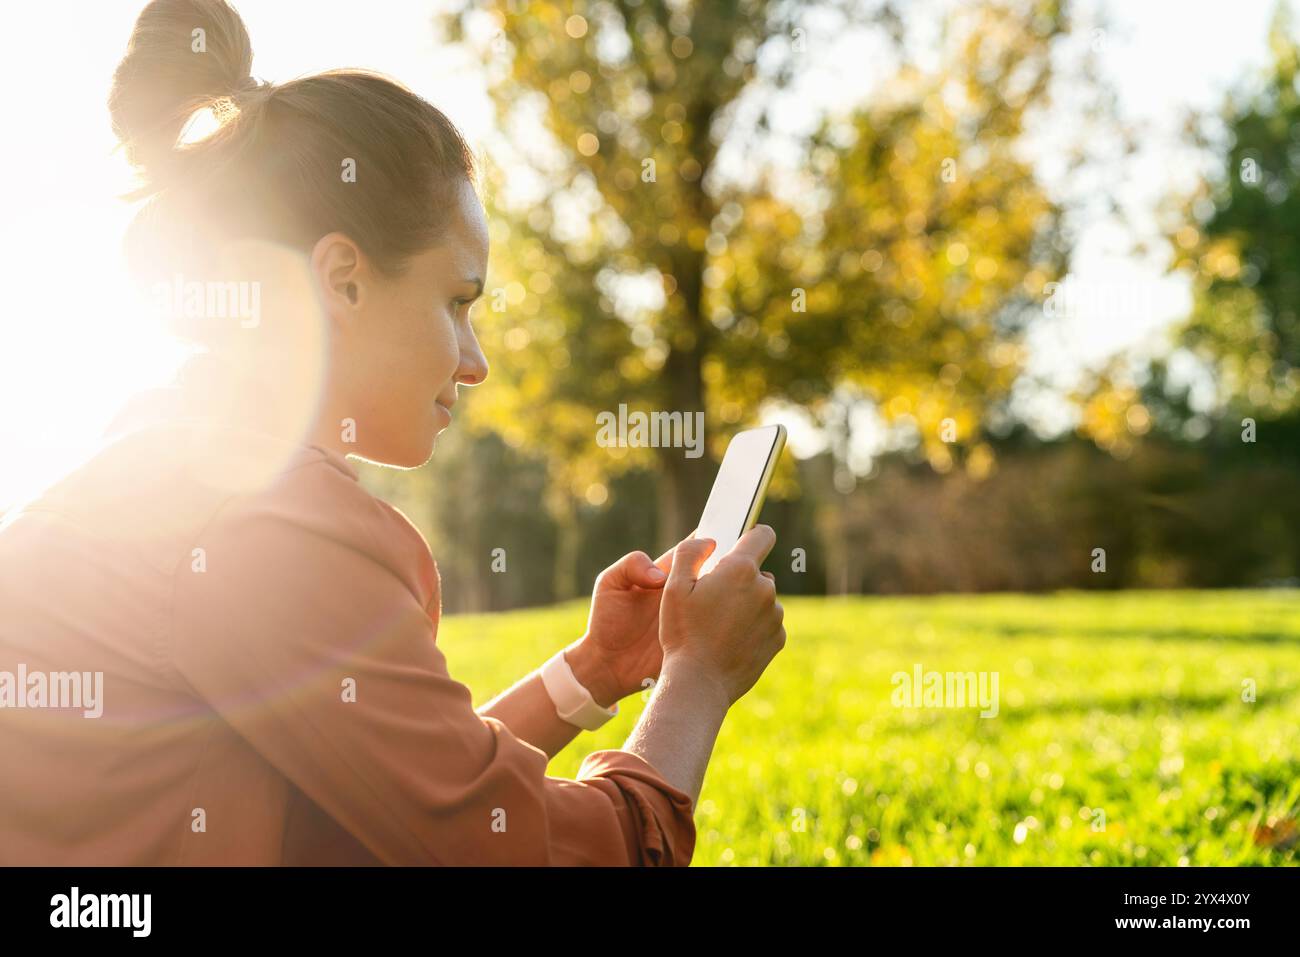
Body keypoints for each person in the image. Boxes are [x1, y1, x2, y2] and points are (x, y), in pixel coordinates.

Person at [0, 0, 785, 865]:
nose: (476, 362)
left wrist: (593, 669)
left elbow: (402, 800)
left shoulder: (173, 460)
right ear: (343, 282)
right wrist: (698, 679)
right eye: (458, 303)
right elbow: (545, 853)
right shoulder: (268, 525)